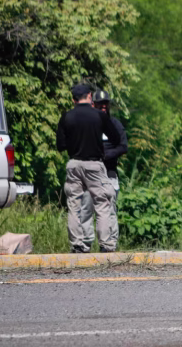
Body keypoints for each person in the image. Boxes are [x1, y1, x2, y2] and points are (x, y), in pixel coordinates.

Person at [56, 83, 122, 253]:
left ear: (73, 99)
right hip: (95, 165)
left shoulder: (67, 117)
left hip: (74, 164)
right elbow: (115, 138)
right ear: (89, 96)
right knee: (103, 203)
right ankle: (106, 244)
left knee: (74, 205)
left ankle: (78, 245)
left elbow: (60, 146)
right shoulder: (99, 116)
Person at [76, 89, 128, 251]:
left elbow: (123, 146)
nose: (103, 107)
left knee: (109, 210)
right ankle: (84, 245)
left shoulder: (115, 124)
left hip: (109, 174)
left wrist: (106, 155)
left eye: (105, 104)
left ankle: (109, 245)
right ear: (93, 105)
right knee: (85, 209)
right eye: (100, 104)